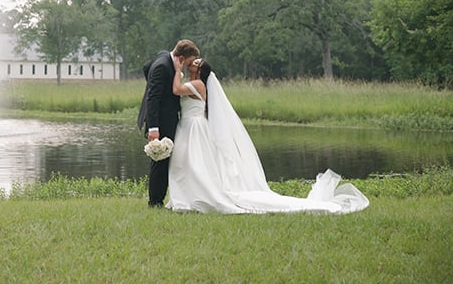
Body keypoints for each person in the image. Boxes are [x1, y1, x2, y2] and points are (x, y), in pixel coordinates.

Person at [166, 57, 369, 214]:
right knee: (189, 164)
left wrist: (176, 70)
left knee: (195, 164)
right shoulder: (194, 83)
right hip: (189, 127)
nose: (193, 62)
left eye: (197, 62)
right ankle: (186, 197)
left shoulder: (200, 85)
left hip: (194, 128)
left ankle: (195, 198)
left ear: (201, 70)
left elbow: (176, 89)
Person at [137, 39, 200, 207]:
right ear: (180, 57)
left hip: (169, 119)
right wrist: (153, 128)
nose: (188, 65)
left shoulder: (164, 55)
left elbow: (145, 67)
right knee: (160, 160)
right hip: (160, 121)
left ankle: (159, 198)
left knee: (166, 159)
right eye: (187, 61)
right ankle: (155, 201)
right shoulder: (163, 67)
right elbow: (153, 99)